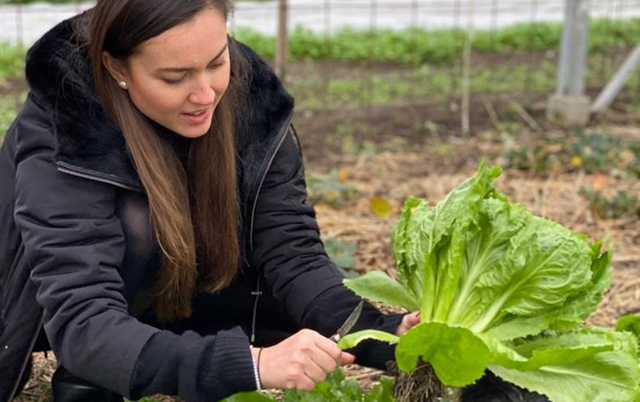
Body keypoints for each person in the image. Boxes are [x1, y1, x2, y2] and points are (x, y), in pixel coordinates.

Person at [0, 1, 422, 401]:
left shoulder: (254, 101)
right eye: (174, 77)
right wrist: (252, 365)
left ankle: (157, 355)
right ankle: (94, 381)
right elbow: (83, 322)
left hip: (180, 303)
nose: (205, 94)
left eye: (217, 63)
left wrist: (384, 337)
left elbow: (295, 255)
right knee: (137, 222)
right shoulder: (65, 125)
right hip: (73, 310)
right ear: (116, 68)